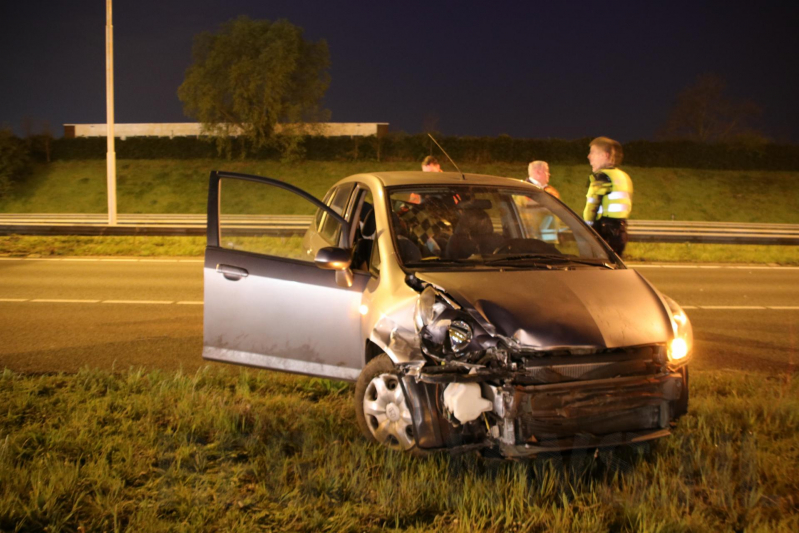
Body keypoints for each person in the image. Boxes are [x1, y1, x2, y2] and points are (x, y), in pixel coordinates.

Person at [583, 136, 633, 256]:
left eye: (593, 153)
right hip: (620, 232)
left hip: (604, 233)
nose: (589, 156)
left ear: (604, 155)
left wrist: (585, 229)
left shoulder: (602, 177)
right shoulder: (623, 176)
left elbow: (592, 206)